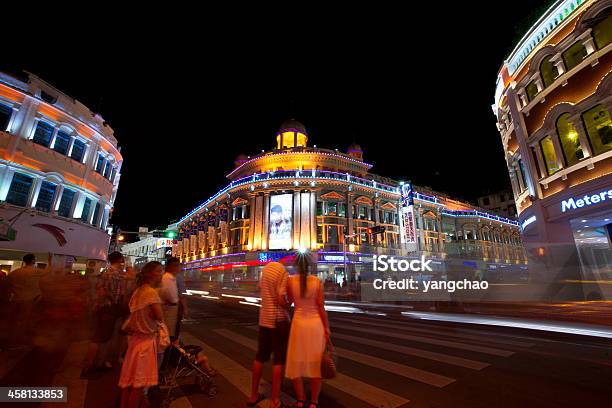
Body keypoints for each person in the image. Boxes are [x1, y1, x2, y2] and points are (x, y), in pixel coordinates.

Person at [284, 253, 330, 408]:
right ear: (310, 266)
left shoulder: (290, 281)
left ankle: (301, 399)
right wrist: (327, 328)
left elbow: (288, 303)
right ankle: (314, 401)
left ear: (296, 265)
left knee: (296, 364)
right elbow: (321, 308)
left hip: (298, 325)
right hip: (315, 325)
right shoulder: (316, 281)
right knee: (316, 365)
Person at [118, 261, 164, 408]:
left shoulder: (137, 292)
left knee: (129, 383)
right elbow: (160, 317)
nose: (161, 274)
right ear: (150, 274)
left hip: (134, 343)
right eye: (158, 271)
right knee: (137, 386)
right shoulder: (151, 293)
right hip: (145, 344)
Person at [247, 261, 289, 408]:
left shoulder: (265, 270)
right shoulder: (282, 271)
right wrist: (288, 305)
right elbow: (280, 297)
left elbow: (260, 288)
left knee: (260, 357)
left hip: (264, 319)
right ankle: (275, 400)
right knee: (278, 360)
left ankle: (253, 396)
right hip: (278, 320)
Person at [81, 252, 129, 379]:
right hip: (109, 309)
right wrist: (113, 301)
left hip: (101, 307)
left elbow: (99, 289)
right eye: (122, 260)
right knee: (101, 338)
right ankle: (91, 365)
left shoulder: (105, 272)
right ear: (119, 260)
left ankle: (95, 363)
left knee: (99, 337)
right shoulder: (118, 274)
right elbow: (118, 295)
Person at [6, 254, 46, 346]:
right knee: (26, 321)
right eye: (35, 259)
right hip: (30, 300)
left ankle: (12, 340)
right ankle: (20, 341)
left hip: (16, 299)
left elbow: (6, 284)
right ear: (32, 261)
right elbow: (50, 273)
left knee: (14, 320)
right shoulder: (36, 271)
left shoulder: (15, 272)